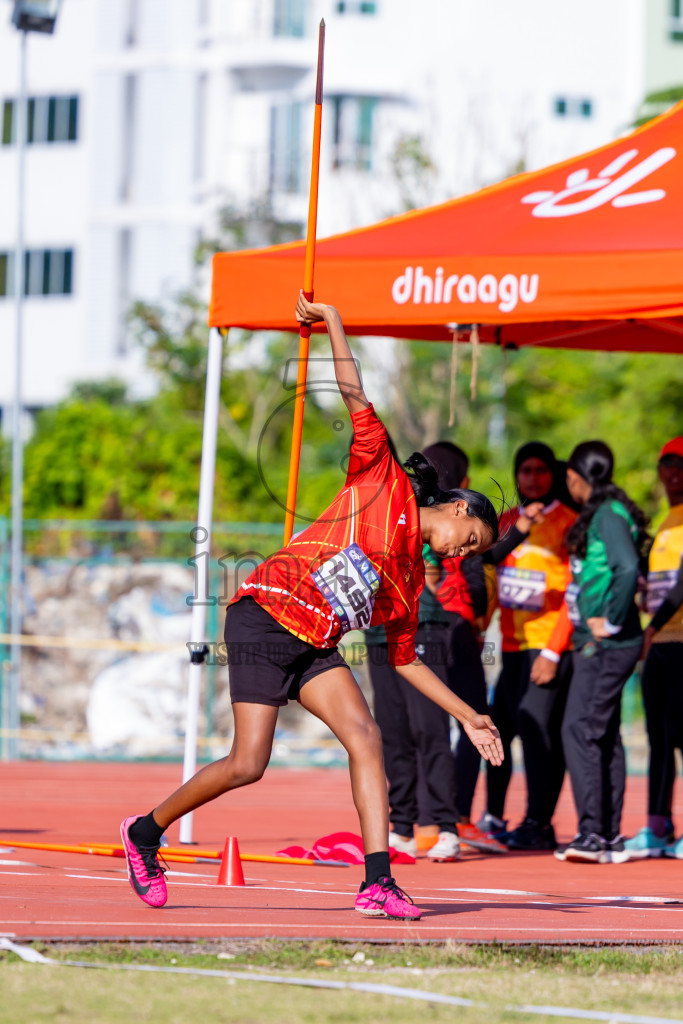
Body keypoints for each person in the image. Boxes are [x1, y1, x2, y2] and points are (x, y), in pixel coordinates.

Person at [119, 293, 504, 922]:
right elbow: (355, 393)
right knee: (249, 764)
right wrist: (333, 319)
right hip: (264, 618)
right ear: (460, 509)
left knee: (366, 737)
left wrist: (469, 715)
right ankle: (145, 833)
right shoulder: (382, 476)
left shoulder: (409, 580)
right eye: (471, 541)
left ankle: (377, 883)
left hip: (315, 644)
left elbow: (406, 662)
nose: (464, 553)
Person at [367, 442, 505, 864]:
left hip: (422, 623)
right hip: (377, 627)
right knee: (391, 732)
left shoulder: (445, 530)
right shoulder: (399, 505)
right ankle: (403, 826)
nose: (462, 551)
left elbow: (452, 564)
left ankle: (445, 825)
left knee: (429, 729)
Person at [551, 441, 649, 864]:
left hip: (606, 643)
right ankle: (607, 834)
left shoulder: (608, 514)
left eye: (568, 479)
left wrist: (609, 619)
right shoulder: (610, 511)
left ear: (576, 476)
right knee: (602, 732)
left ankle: (592, 833)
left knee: (579, 727)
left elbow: (627, 567)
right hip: (607, 642)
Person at [476, 442, 576, 851]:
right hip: (513, 646)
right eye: (525, 470)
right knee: (498, 729)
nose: (532, 478)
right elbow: (490, 570)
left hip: (548, 646)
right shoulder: (508, 521)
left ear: (553, 474)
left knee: (538, 731)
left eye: (540, 470)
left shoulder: (569, 523)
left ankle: (539, 821)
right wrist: (482, 627)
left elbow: (577, 592)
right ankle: (494, 816)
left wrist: (553, 651)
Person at [623, 437, 683, 860]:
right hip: (658, 645)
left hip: (677, 641)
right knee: (658, 737)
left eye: (681, 464)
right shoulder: (665, 522)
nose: (673, 472)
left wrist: (654, 625)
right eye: (667, 463)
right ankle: (658, 826)